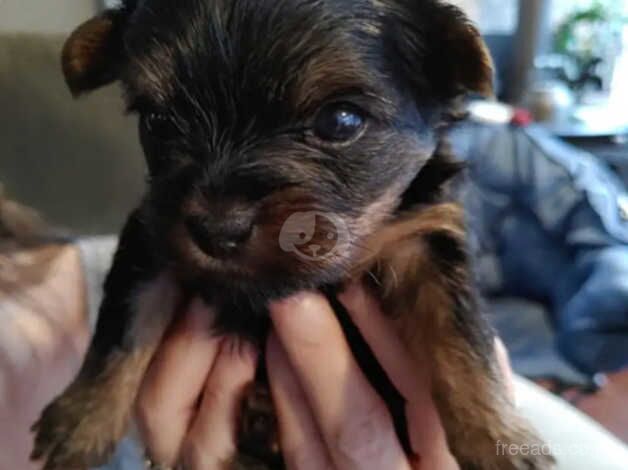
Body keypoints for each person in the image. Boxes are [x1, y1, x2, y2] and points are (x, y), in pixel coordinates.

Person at [3, 121, 628, 470]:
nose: (222, 211)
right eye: (168, 125)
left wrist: (490, 420)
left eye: (337, 124)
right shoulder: (156, 247)